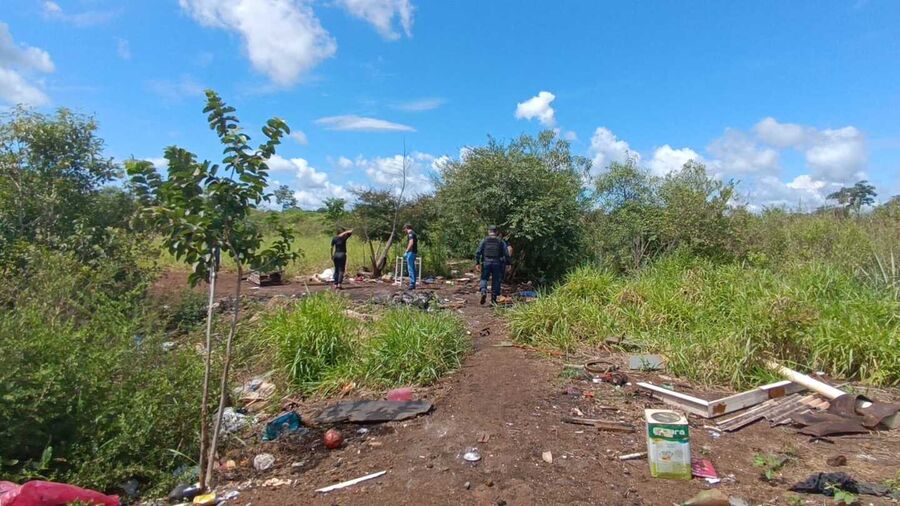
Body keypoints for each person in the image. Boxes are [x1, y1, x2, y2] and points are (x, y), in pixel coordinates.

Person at [475, 225, 510, 305]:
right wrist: (508, 263)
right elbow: (506, 253)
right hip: (497, 263)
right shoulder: (500, 241)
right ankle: (493, 299)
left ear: (488, 231)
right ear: (496, 232)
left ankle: (483, 291)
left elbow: (478, 252)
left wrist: (477, 262)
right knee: (496, 281)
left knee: (484, 278)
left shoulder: (484, 240)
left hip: (486, 262)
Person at [402, 223, 418, 290]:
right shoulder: (414, 233)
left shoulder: (410, 233)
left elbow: (411, 243)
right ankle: (413, 283)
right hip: (414, 252)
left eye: (404, 229)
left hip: (411, 253)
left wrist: (406, 251)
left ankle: (412, 284)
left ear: (406, 228)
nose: (404, 231)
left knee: (410, 268)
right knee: (413, 268)